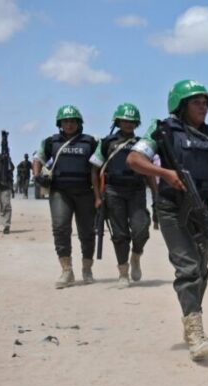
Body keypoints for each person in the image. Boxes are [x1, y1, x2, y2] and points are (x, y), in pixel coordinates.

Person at [127, 80, 208, 361]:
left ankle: (191, 319)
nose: (203, 107)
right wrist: (164, 174)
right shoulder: (162, 130)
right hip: (172, 209)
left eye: (206, 102)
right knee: (187, 268)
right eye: (196, 102)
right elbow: (133, 159)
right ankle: (195, 332)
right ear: (181, 105)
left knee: (202, 271)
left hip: (205, 210)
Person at [33, 106, 99, 288]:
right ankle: (67, 270)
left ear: (79, 123)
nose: (69, 124)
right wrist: (38, 176)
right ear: (60, 124)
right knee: (61, 228)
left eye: (72, 121)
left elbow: (99, 167)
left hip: (85, 192)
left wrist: (99, 195)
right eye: (65, 121)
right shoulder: (50, 142)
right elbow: (37, 158)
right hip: (60, 192)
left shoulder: (90, 142)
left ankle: (87, 269)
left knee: (87, 232)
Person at [90, 103, 153, 288]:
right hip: (113, 191)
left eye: (132, 121)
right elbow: (94, 170)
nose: (128, 124)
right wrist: (97, 197)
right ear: (118, 121)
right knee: (120, 234)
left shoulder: (142, 144)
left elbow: (149, 172)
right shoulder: (107, 142)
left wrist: (156, 196)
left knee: (141, 229)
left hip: (137, 191)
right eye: (125, 120)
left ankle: (136, 256)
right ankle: (123, 272)